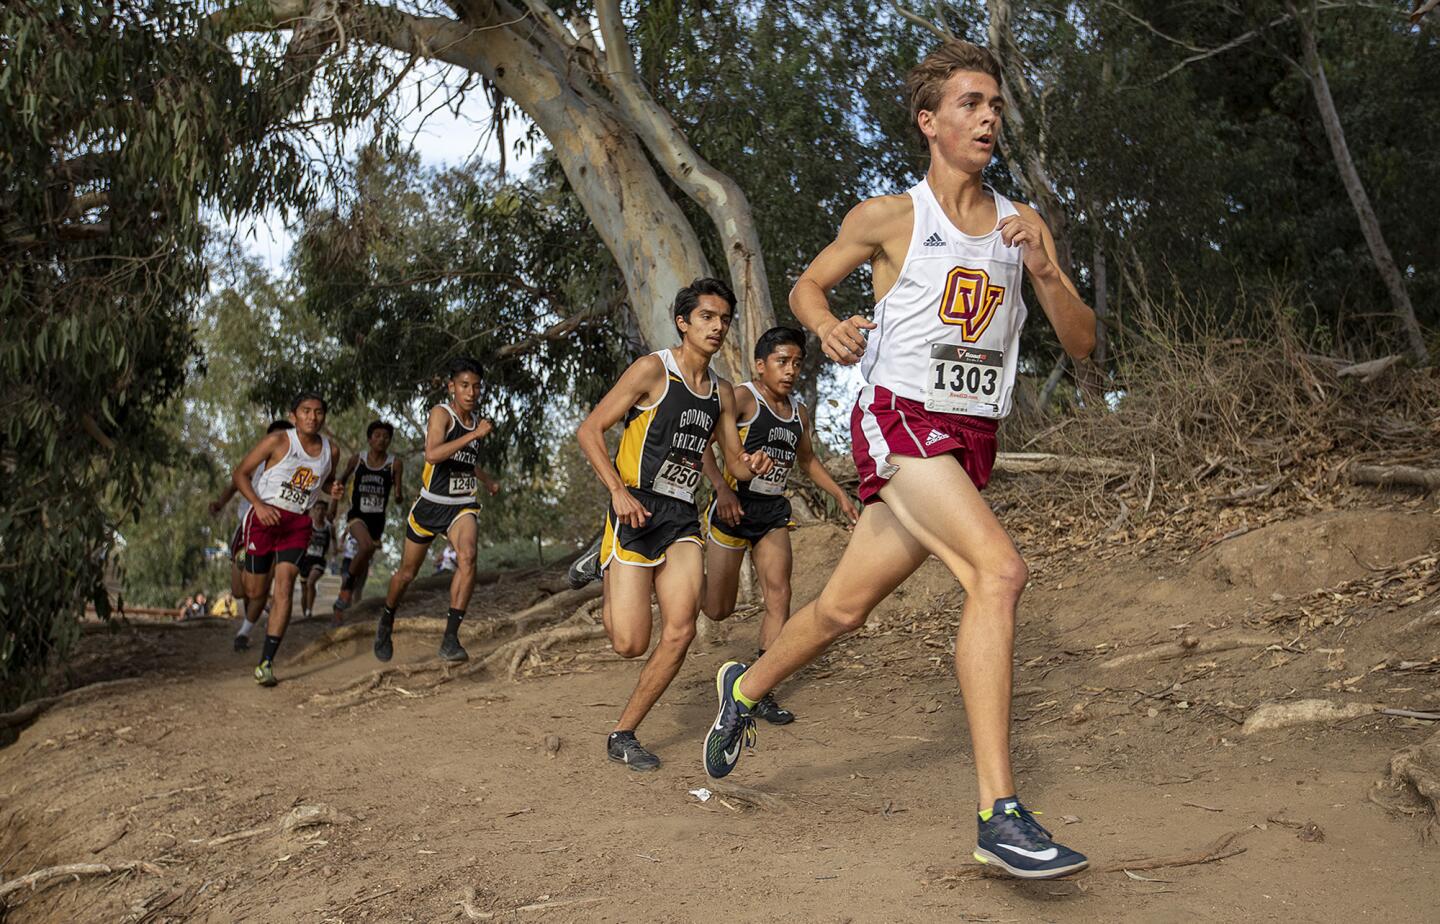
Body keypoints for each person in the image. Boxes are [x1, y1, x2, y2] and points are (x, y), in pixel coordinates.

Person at [700, 41, 1096, 879]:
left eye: (995, 104)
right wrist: (828, 326)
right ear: (930, 122)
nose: (989, 117)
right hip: (898, 421)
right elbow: (810, 287)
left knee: (843, 612)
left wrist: (1045, 268)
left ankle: (742, 690)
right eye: (970, 103)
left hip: (969, 440)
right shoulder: (892, 216)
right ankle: (1000, 814)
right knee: (999, 573)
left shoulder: (1025, 226)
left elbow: (1085, 345)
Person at [575, 278, 774, 771]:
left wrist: (756, 464)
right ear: (684, 322)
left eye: (724, 319)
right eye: (707, 317)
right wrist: (617, 493)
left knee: (682, 629)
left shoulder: (722, 394)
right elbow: (590, 430)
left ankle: (623, 733)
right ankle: (603, 560)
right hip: (634, 509)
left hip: (681, 514)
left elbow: (734, 461)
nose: (717, 326)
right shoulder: (652, 371)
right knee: (629, 643)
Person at [699, 326, 859, 725]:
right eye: (781, 362)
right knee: (717, 609)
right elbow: (702, 442)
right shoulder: (741, 397)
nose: (789, 371)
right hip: (733, 509)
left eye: (796, 363)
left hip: (771, 512)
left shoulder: (798, 412)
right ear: (760, 365)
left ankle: (759, 689)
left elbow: (807, 461)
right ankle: (680, 574)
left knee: (779, 596)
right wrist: (722, 489)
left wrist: (838, 494)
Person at [373, 358, 499, 664]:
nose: (471, 392)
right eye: (464, 385)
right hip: (430, 507)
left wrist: (487, 480)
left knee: (468, 556)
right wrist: (473, 435)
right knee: (406, 575)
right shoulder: (442, 414)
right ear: (452, 387)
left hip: (462, 506)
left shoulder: (475, 423)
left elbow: (465, 460)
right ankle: (386, 619)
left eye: (476, 386)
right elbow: (433, 454)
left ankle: (450, 639)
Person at [231, 394, 343, 686]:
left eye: (318, 412)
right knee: (254, 591)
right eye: (305, 411)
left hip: (297, 523)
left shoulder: (332, 450)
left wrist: (334, 488)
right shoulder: (278, 441)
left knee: (284, 588)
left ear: (323, 417)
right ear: (294, 415)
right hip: (265, 518)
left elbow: (325, 481)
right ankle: (243, 557)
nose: (312, 417)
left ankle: (266, 663)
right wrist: (257, 504)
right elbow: (240, 473)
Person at [210, 419, 294, 651]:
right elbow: (236, 481)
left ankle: (244, 633)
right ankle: (253, 612)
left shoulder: (295, 469)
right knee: (240, 589)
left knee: (260, 585)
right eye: (274, 438)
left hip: (274, 533)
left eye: (284, 438)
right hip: (246, 531)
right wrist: (220, 503)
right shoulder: (256, 463)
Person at [331, 421, 403, 623]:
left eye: (386, 436)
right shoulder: (358, 460)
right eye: (377, 435)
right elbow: (340, 482)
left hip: (377, 522)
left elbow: (398, 493)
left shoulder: (394, 464)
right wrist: (332, 506)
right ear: (370, 439)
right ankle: (346, 589)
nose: (382, 439)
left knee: (365, 560)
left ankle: (345, 606)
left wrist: (398, 496)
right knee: (365, 546)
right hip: (357, 516)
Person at [298, 501, 335, 620]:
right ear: (313, 511)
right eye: (317, 509)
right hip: (305, 559)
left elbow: (334, 541)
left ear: (326, 512)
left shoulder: (329, 527)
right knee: (304, 590)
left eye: (323, 509)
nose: (320, 512)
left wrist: (335, 550)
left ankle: (309, 611)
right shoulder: (308, 525)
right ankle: (305, 615)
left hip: (319, 560)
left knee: (311, 582)